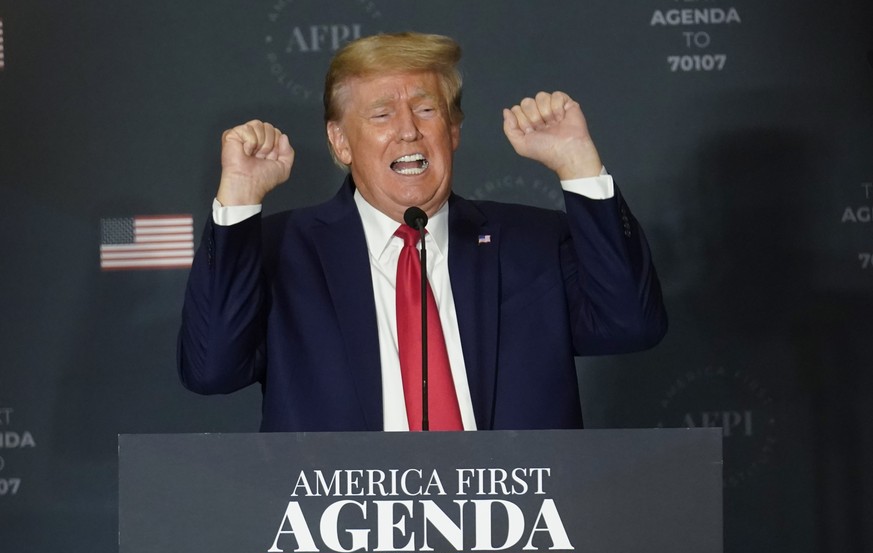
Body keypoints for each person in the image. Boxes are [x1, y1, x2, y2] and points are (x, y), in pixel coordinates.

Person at [178, 32, 667, 432]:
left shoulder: (533, 241)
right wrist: (240, 195)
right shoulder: (282, 251)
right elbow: (211, 369)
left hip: (517, 537)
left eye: (426, 109)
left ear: (452, 131)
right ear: (339, 141)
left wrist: (578, 165)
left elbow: (632, 325)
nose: (409, 130)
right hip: (343, 538)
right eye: (382, 114)